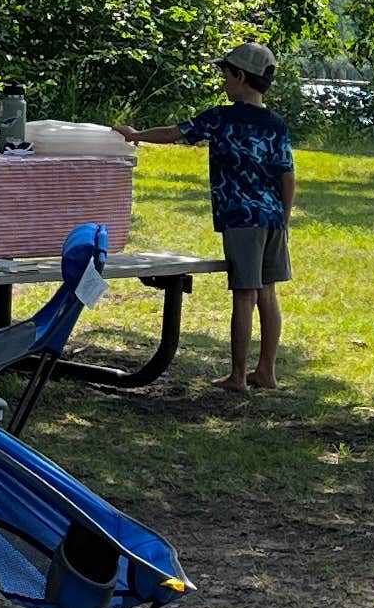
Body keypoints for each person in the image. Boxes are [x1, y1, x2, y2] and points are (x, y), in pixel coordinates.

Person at [119, 43, 295, 391]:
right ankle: (267, 371)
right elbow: (286, 175)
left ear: (240, 76)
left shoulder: (221, 117)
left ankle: (238, 376)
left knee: (245, 294)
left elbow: (174, 133)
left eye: (225, 74)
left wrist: (136, 136)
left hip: (241, 219)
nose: (222, 81)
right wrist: (284, 220)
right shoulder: (276, 124)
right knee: (267, 293)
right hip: (272, 217)